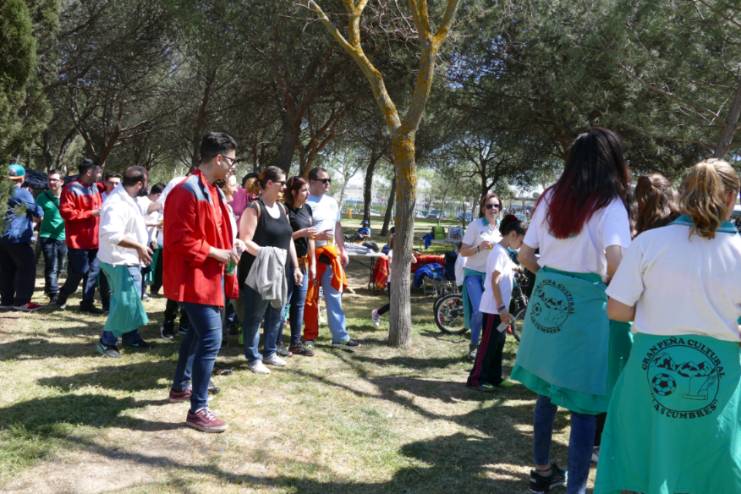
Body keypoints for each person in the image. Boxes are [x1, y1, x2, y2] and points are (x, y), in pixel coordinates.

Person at [594, 159, 741, 494]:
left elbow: (616, 310)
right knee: (710, 473)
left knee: (647, 468)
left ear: (684, 193)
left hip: (651, 372)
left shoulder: (649, 242)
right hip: (719, 383)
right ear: (731, 197)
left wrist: (658, 312)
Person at [512, 128, 631, 494]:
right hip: (587, 307)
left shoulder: (551, 197)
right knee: (585, 401)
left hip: (548, 298)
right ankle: (576, 488)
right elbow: (617, 260)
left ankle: (541, 472)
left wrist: (549, 277)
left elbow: (524, 254)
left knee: (546, 391)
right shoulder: (609, 204)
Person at [166, 132, 241, 433]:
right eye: (232, 160)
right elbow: (178, 239)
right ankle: (198, 409)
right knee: (211, 338)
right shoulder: (187, 190)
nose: (234, 167)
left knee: (196, 336)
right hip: (195, 278)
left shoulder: (211, 190)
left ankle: (179, 387)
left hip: (211, 276)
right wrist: (216, 252)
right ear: (219, 158)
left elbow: (217, 231)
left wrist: (230, 250)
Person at [238, 166, 301, 373]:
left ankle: (270, 353)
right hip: (259, 271)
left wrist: (296, 266)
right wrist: (269, 255)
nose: (285, 187)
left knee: (277, 314)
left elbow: (288, 239)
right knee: (255, 316)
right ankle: (253, 357)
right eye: (282, 183)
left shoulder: (282, 209)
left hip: (281, 270)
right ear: (269, 184)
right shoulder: (254, 208)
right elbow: (245, 240)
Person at [96, 166, 152, 358]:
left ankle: (130, 336)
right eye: (146, 182)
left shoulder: (129, 198)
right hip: (119, 261)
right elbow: (111, 234)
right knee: (125, 303)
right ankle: (106, 341)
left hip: (126, 260)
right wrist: (139, 246)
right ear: (140, 184)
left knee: (130, 300)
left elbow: (150, 207)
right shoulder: (116, 203)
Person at [303, 167, 360, 350]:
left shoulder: (332, 202)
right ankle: (309, 337)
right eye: (324, 180)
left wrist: (342, 250)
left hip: (330, 255)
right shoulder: (304, 202)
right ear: (312, 182)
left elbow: (337, 227)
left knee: (334, 295)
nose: (327, 183)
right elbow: (300, 232)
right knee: (310, 298)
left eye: (329, 180)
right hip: (311, 255)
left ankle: (340, 337)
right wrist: (316, 237)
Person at [467, 214, 525, 390]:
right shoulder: (499, 252)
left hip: (500, 310)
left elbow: (508, 268)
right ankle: (476, 379)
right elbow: (494, 280)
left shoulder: (504, 252)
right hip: (494, 309)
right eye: (521, 241)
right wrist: (501, 308)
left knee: (498, 344)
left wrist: (517, 268)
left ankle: (494, 377)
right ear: (513, 234)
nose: (521, 245)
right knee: (487, 345)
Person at [55, 158, 105, 313]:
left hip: (95, 241)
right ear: (89, 172)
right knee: (78, 273)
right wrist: (91, 213)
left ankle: (87, 304)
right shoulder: (70, 189)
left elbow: (110, 185)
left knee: (93, 273)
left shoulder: (95, 187)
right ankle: (62, 295)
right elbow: (66, 213)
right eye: (98, 172)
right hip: (78, 242)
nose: (100, 175)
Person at [460, 192, 503, 359]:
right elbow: (463, 251)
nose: (493, 208)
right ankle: (473, 345)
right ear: (483, 208)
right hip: (474, 274)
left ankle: (486, 347)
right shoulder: (475, 225)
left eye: (496, 205)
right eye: (489, 206)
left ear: (500, 208)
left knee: (492, 313)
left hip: (493, 277)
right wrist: (480, 247)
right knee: (478, 311)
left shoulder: (501, 227)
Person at [0, 163, 43, 311]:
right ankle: (22, 302)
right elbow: (38, 212)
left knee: (6, 269)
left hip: (2, 236)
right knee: (27, 268)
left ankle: (6, 300)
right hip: (17, 236)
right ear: (22, 178)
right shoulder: (22, 193)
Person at [283, 176, 316, 356]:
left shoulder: (307, 209)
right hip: (287, 263)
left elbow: (311, 237)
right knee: (283, 303)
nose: (308, 193)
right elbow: (284, 236)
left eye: (308, 190)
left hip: (303, 263)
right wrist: (301, 232)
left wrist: (313, 263)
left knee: (299, 304)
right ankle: (276, 342)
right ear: (294, 192)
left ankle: (295, 343)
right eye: (304, 190)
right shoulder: (285, 209)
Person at [371, 228, 416, 327]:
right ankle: (377, 313)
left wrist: (409, 252)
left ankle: (397, 322)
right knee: (393, 303)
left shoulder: (405, 251)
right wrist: (400, 260)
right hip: (392, 281)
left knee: (400, 302)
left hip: (402, 281)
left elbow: (414, 261)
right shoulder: (391, 252)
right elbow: (391, 265)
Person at [36, 169, 67, 304]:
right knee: (52, 265)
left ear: (62, 182)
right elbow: (37, 216)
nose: (51, 182)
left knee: (60, 266)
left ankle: (49, 288)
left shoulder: (68, 196)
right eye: (49, 179)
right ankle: (54, 295)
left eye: (55, 179)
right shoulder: (42, 197)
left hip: (64, 236)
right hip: (47, 235)